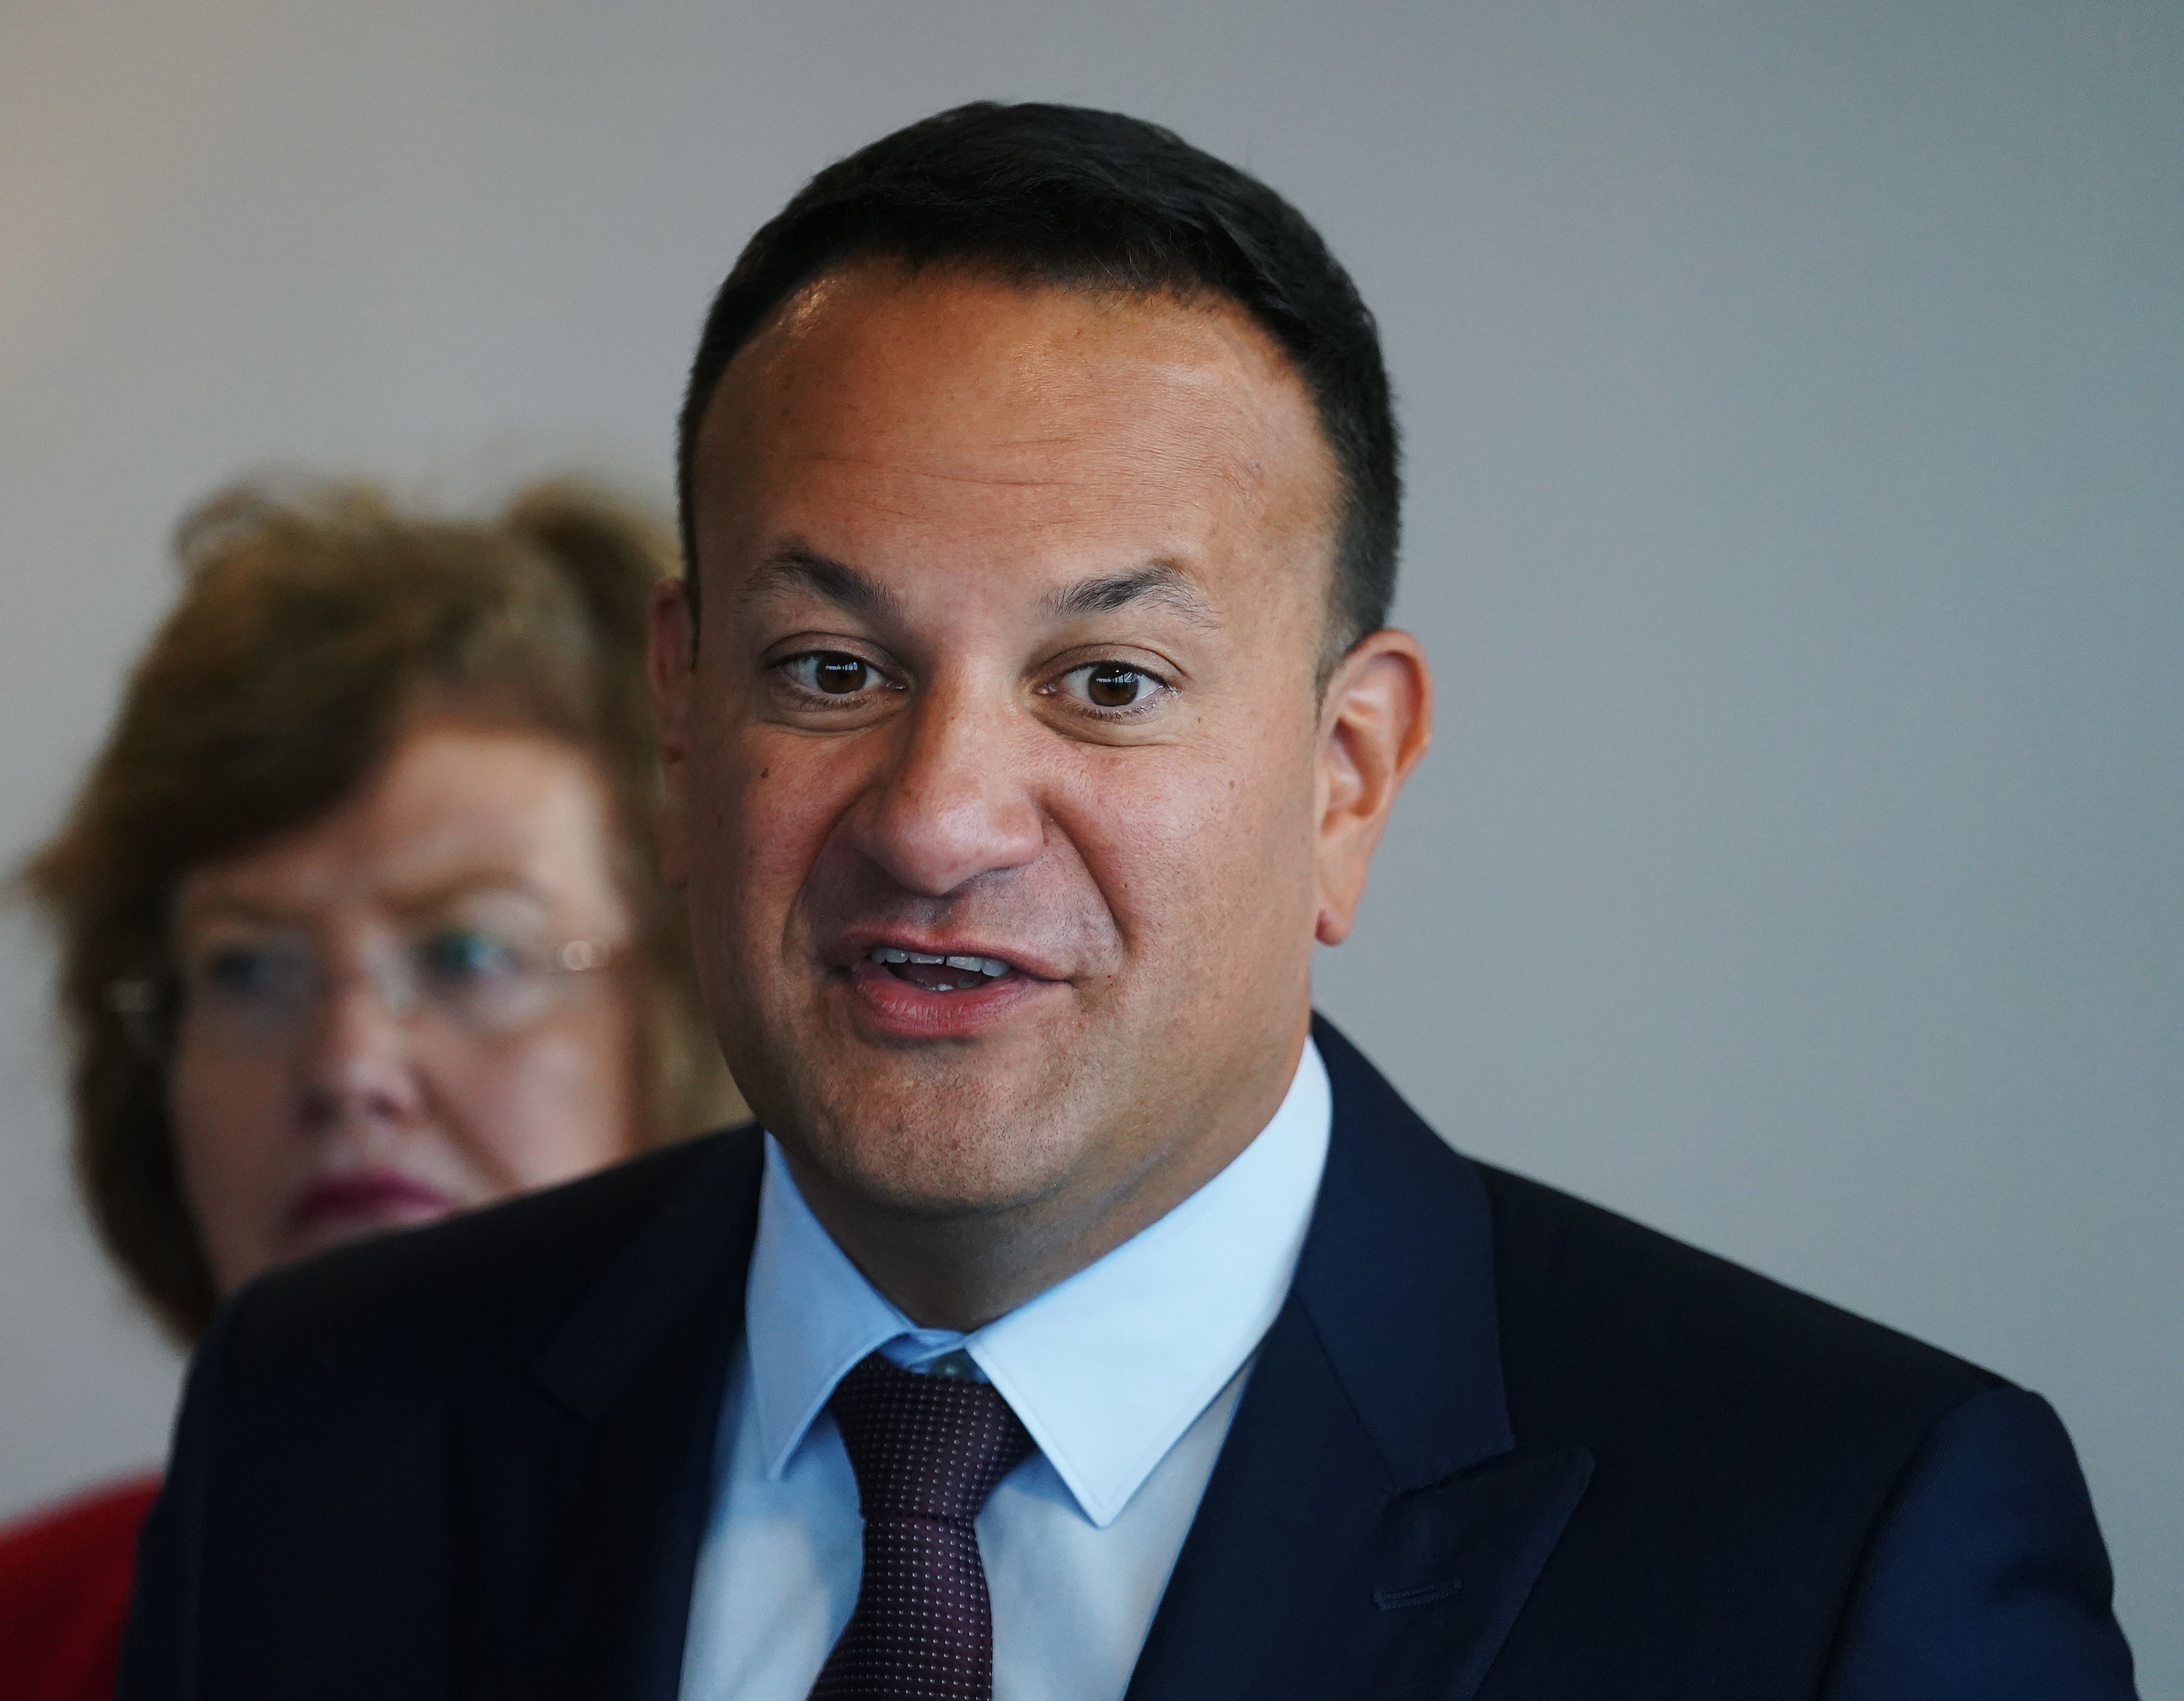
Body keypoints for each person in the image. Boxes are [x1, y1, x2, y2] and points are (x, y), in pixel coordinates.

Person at [117, 103, 2138, 1700]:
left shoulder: (1836, 1542)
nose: (936, 817)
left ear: (1345, 780)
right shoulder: (324, 1429)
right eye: (831, 667)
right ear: (678, 712)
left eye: (1106, 684)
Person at [0, 478, 736, 1701]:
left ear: (699, 1012)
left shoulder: (893, 1623)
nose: (346, 1068)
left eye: (468, 956)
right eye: (247, 968)